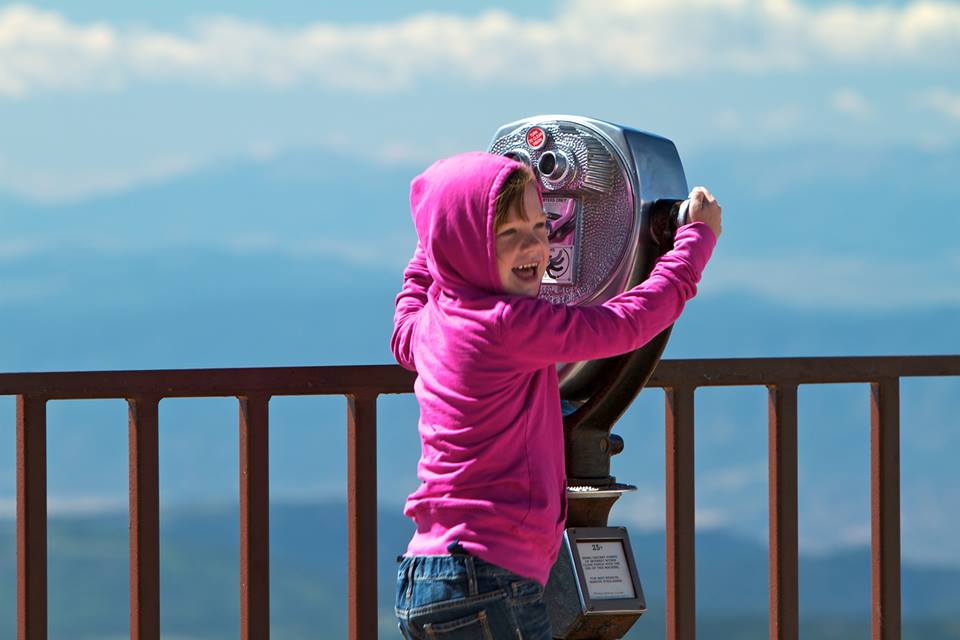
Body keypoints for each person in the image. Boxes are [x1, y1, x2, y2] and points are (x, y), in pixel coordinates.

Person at [391, 151, 720, 639]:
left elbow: (403, 323)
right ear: (466, 244)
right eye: (508, 233)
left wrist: (430, 244)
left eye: (541, 225)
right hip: (489, 577)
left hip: (424, 575)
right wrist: (694, 242)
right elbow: (626, 322)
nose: (534, 245)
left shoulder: (431, 325)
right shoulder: (507, 325)